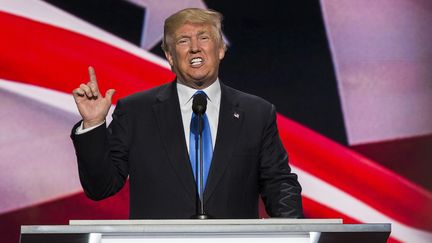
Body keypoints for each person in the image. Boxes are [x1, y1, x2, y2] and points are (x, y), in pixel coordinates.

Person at [71, 8, 303, 219]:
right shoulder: (135, 112)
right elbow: (100, 187)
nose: (195, 47)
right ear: (170, 56)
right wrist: (93, 125)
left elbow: (278, 183)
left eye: (204, 37)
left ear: (221, 48)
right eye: (183, 40)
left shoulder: (256, 113)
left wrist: (293, 231)